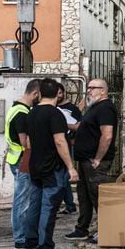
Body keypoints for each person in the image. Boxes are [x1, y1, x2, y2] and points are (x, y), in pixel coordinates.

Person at [25, 78, 78, 249]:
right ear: (58, 94)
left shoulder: (32, 113)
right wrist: (71, 167)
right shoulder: (55, 114)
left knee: (35, 205)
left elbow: (29, 142)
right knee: (48, 209)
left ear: (39, 93)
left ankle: (31, 243)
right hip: (52, 168)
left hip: (36, 166)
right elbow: (60, 141)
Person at [65, 79, 117, 243]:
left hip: (94, 162)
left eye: (92, 88)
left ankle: (105, 231)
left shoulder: (106, 108)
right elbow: (82, 127)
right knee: (84, 196)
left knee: (98, 197)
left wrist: (97, 159)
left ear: (103, 91)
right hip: (84, 161)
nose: (88, 91)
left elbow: (107, 135)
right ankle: (82, 229)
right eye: (88, 88)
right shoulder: (93, 108)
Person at [4, 79, 40, 249]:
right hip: (22, 160)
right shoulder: (23, 114)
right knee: (22, 201)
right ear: (35, 94)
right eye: (40, 96)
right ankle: (20, 238)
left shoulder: (15, 107)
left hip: (16, 158)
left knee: (22, 199)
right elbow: (25, 142)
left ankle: (22, 236)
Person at [56, 83, 82, 215]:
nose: (58, 96)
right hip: (56, 145)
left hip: (68, 143)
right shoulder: (52, 107)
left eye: (60, 93)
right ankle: (68, 204)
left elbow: (79, 127)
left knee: (65, 175)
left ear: (63, 92)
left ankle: (69, 204)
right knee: (62, 176)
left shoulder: (73, 109)